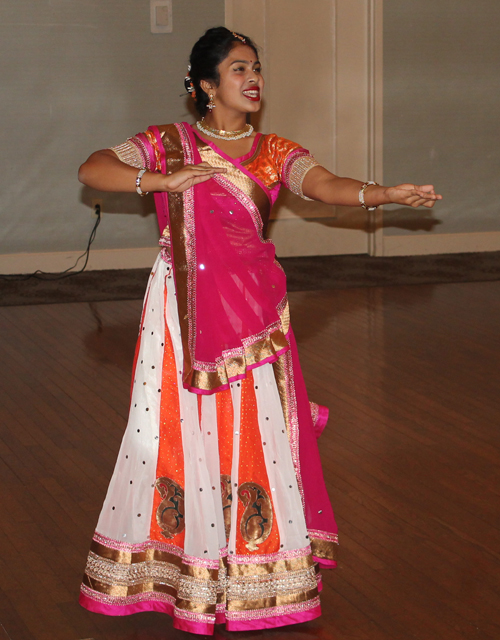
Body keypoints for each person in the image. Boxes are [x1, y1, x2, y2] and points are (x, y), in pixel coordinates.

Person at [77, 26, 441, 636]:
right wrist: (159, 182)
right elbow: (94, 168)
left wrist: (385, 195)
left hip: (252, 315)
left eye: (257, 69)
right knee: (182, 432)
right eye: (240, 69)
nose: (254, 80)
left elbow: (322, 185)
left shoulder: (274, 151)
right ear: (205, 85)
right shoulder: (168, 144)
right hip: (185, 310)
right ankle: (180, 565)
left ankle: (255, 568)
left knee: (253, 432)